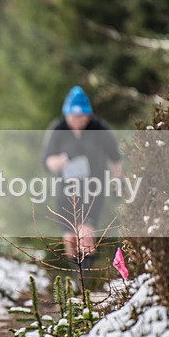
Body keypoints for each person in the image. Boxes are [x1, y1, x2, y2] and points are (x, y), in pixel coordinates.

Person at [42, 86, 122, 269]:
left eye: (82, 118)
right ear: (66, 115)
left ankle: (87, 274)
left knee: (85, 232)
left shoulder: (99, 128)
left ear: (89, 115)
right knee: (69, 237)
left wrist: (117, 183)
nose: (77, 122)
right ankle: (77, 276)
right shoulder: (58, 129)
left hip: (93, 188)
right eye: (73, 118)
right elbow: (47, 162)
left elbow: (116, 158)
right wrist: (64, 159)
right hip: (66, 190)